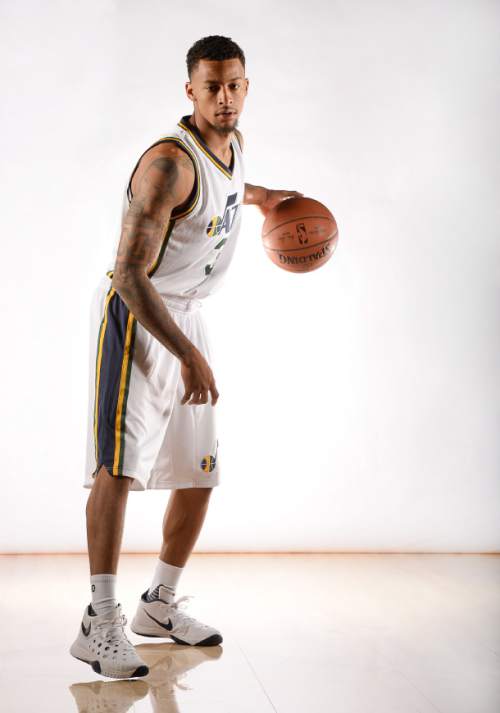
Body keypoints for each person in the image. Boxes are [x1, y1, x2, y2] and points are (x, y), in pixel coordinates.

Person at [70, 34, 303, 680]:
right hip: (138, 314)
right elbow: (129, 271)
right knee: (118, 466)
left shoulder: (233, 145)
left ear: (246, 87)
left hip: (187, 316)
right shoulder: (167, 166)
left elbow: (233, 190)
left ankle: (159, 605)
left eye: (234, 86)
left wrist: (271, 199)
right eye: (211, 87)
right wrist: (188, 356)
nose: (224, 98)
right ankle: (101, 618)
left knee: (200, 471)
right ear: (190, 91)